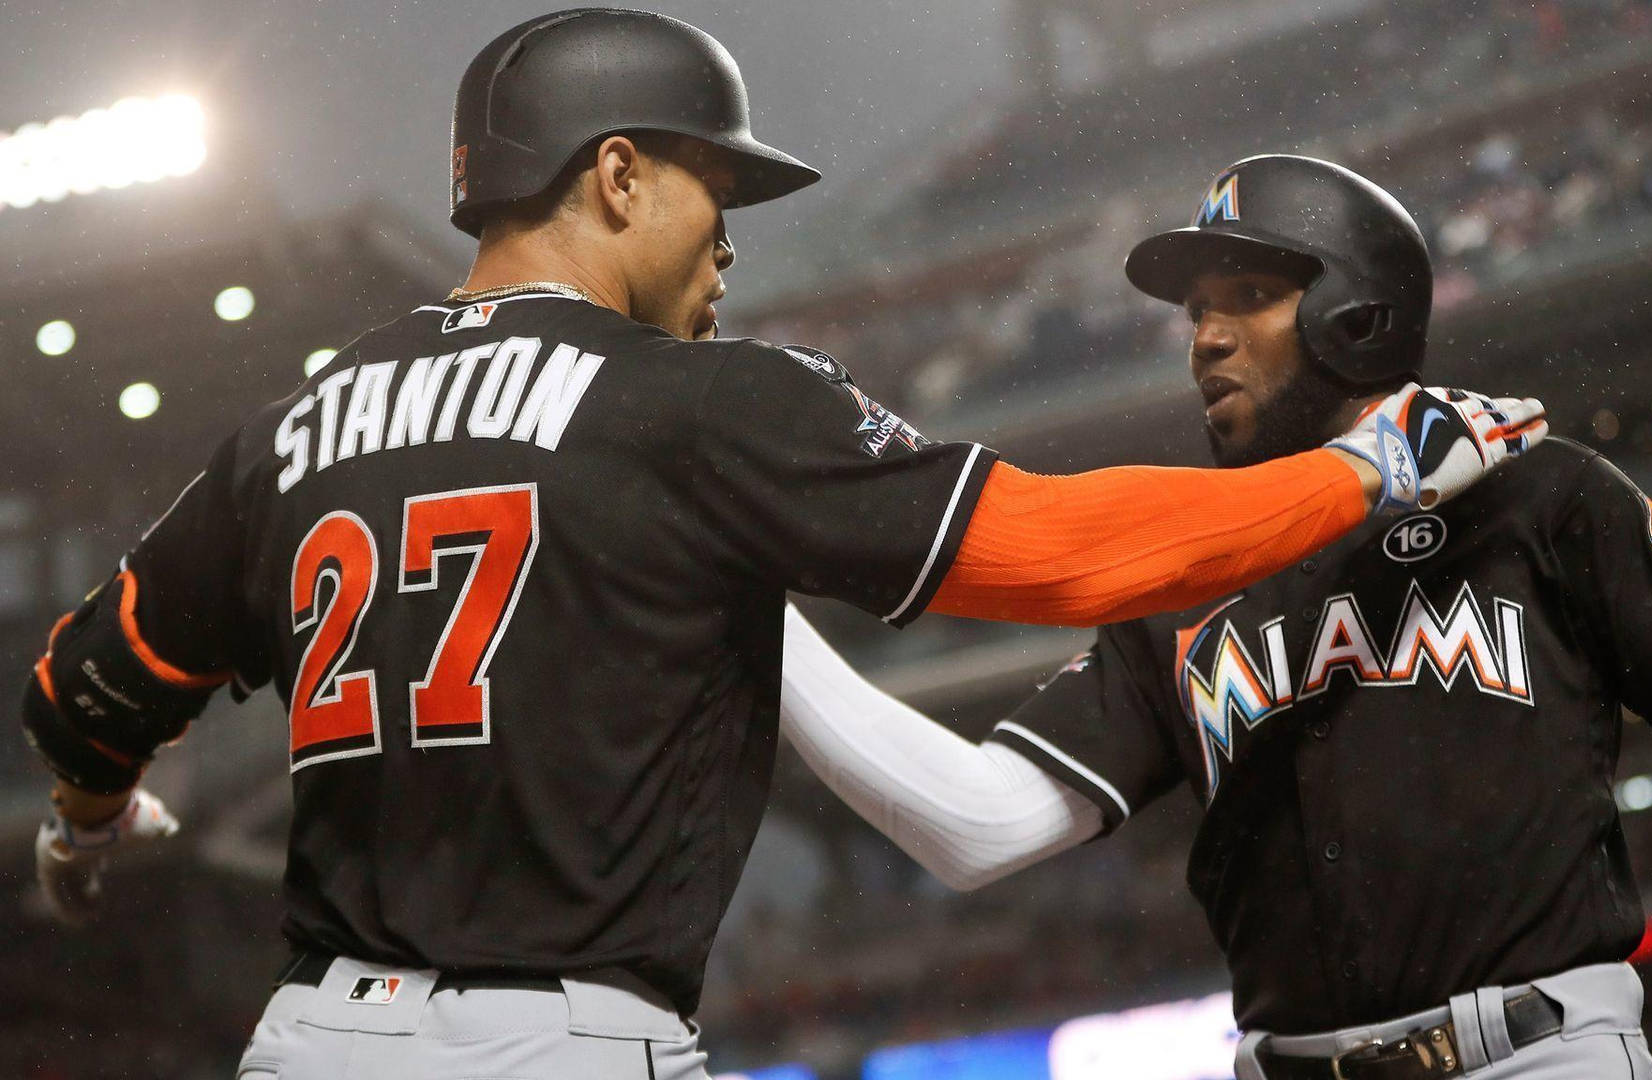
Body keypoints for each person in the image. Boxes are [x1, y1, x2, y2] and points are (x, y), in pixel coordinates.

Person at [17, 14, 1546, 1080]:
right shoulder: (695, 403)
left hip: (308, 1045)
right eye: (715, 183)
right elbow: (1063, 550)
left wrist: (89, 827)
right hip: (559, 1043)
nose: (733, 234)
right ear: (615, 174)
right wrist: (1362, 474)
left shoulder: (294, 427)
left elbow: (85, 688)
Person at [778, 154, 1652, 1078]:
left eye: (1248, 297)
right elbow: (977, 824)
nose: (1204, 336)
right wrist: (748, 613)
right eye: (1194, 313)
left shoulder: (1538, 495)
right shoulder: (1177, 582)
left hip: (1534, 1057)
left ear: (1356, 309)